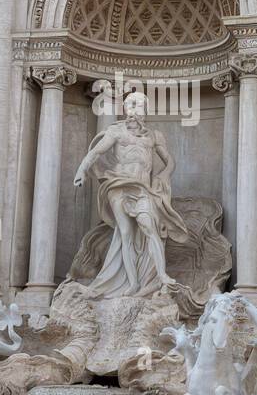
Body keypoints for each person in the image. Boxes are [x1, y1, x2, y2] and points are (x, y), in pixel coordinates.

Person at [72, 90, 189, 297]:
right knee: (125, 234)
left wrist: (163, 175)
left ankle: (161, 275)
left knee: (149, 227)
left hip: (142, 188)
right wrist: (82, 170)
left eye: (138, 105)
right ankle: (133, 283)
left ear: (146, 110)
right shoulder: (116, 132)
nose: (134, 110)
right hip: (118, 185)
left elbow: (169, 161)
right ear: (125, 109)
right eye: (130, 105)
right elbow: (96, 152)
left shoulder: (154, 136)